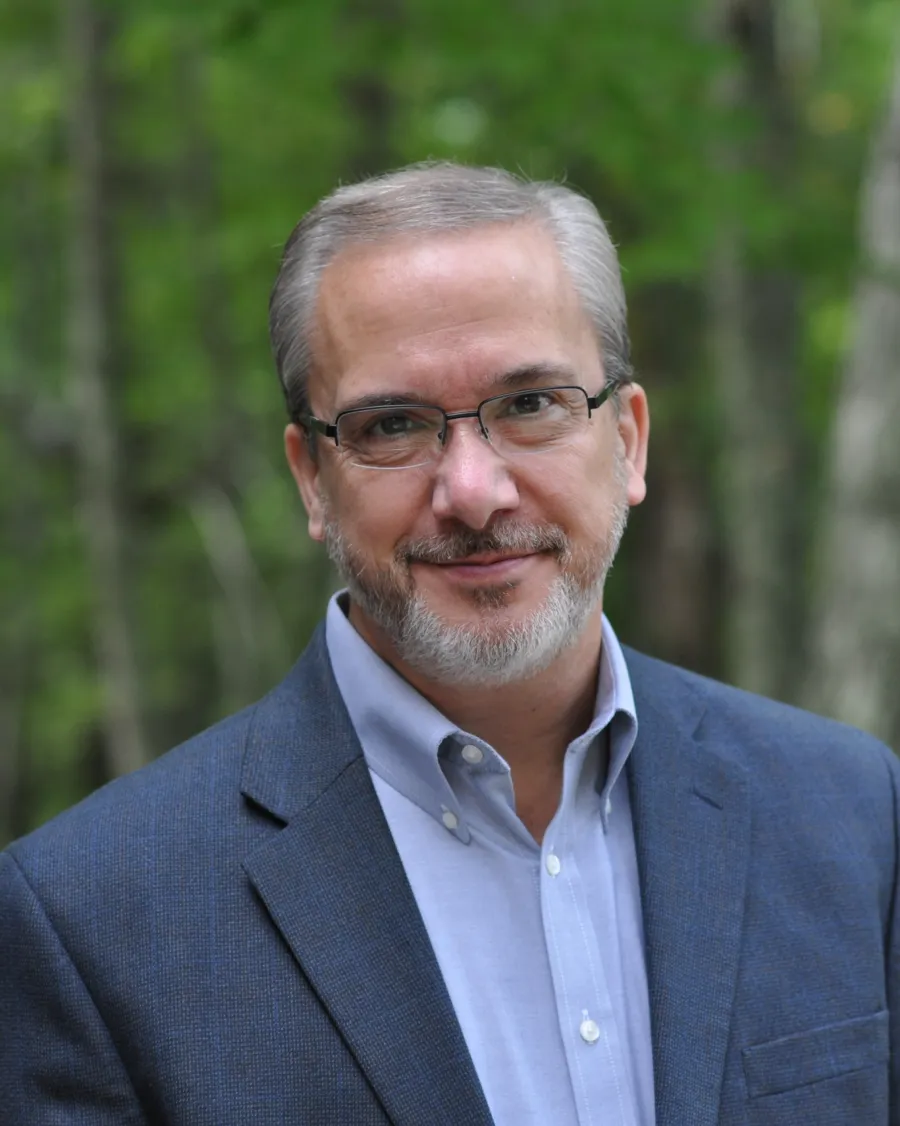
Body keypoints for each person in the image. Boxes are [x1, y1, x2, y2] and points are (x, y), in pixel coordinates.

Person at [1, 163, 897, 1126]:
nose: (474, 492)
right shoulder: (89, 921)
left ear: (628, 443)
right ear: (311, 479)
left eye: (530, 405)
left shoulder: (854, 816)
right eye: (393, 425)